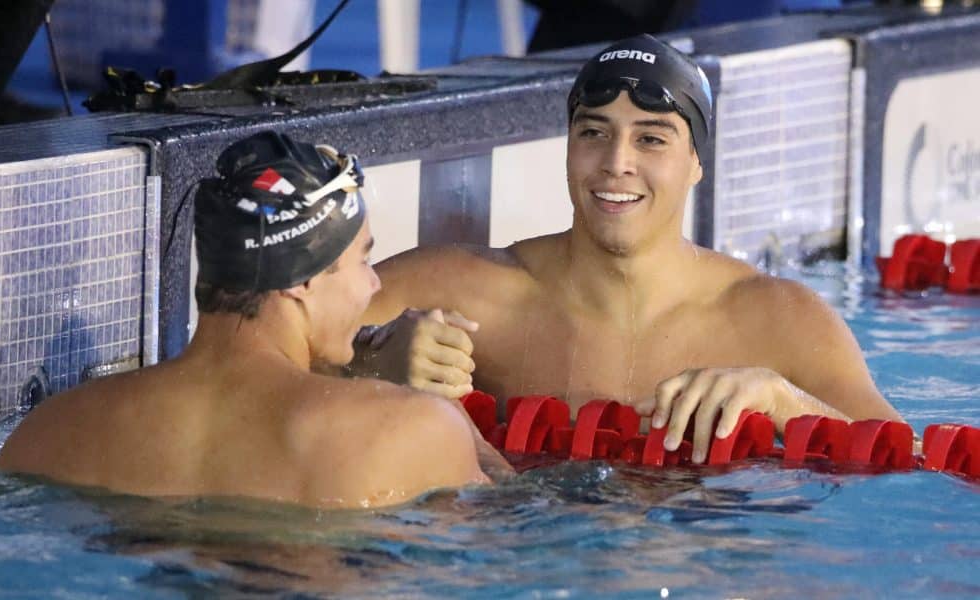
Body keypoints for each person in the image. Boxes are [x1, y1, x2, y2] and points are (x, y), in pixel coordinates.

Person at [355, 34, 904, 463]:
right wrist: (370, 359)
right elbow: (275, 361)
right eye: (594, 133)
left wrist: (786, 403)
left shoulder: (780, 320)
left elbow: (917, 462)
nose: (617, 162)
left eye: (651, 138)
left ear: (695, 163)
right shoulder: (460, 292)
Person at [0, 131, 508, 508]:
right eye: (363, 261)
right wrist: (445, 405)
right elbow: (505, 535)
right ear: (302, 280)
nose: (374, 285)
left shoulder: (50, 429)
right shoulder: (411, 429)